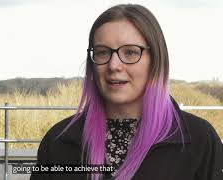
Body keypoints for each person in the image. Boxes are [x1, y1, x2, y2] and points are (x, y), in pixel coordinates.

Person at [30, 4, 223, 180]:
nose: (114, 65)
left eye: (130, 52)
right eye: (103, 52)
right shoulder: (59, 141)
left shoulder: (199, 140)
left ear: (156, 59)